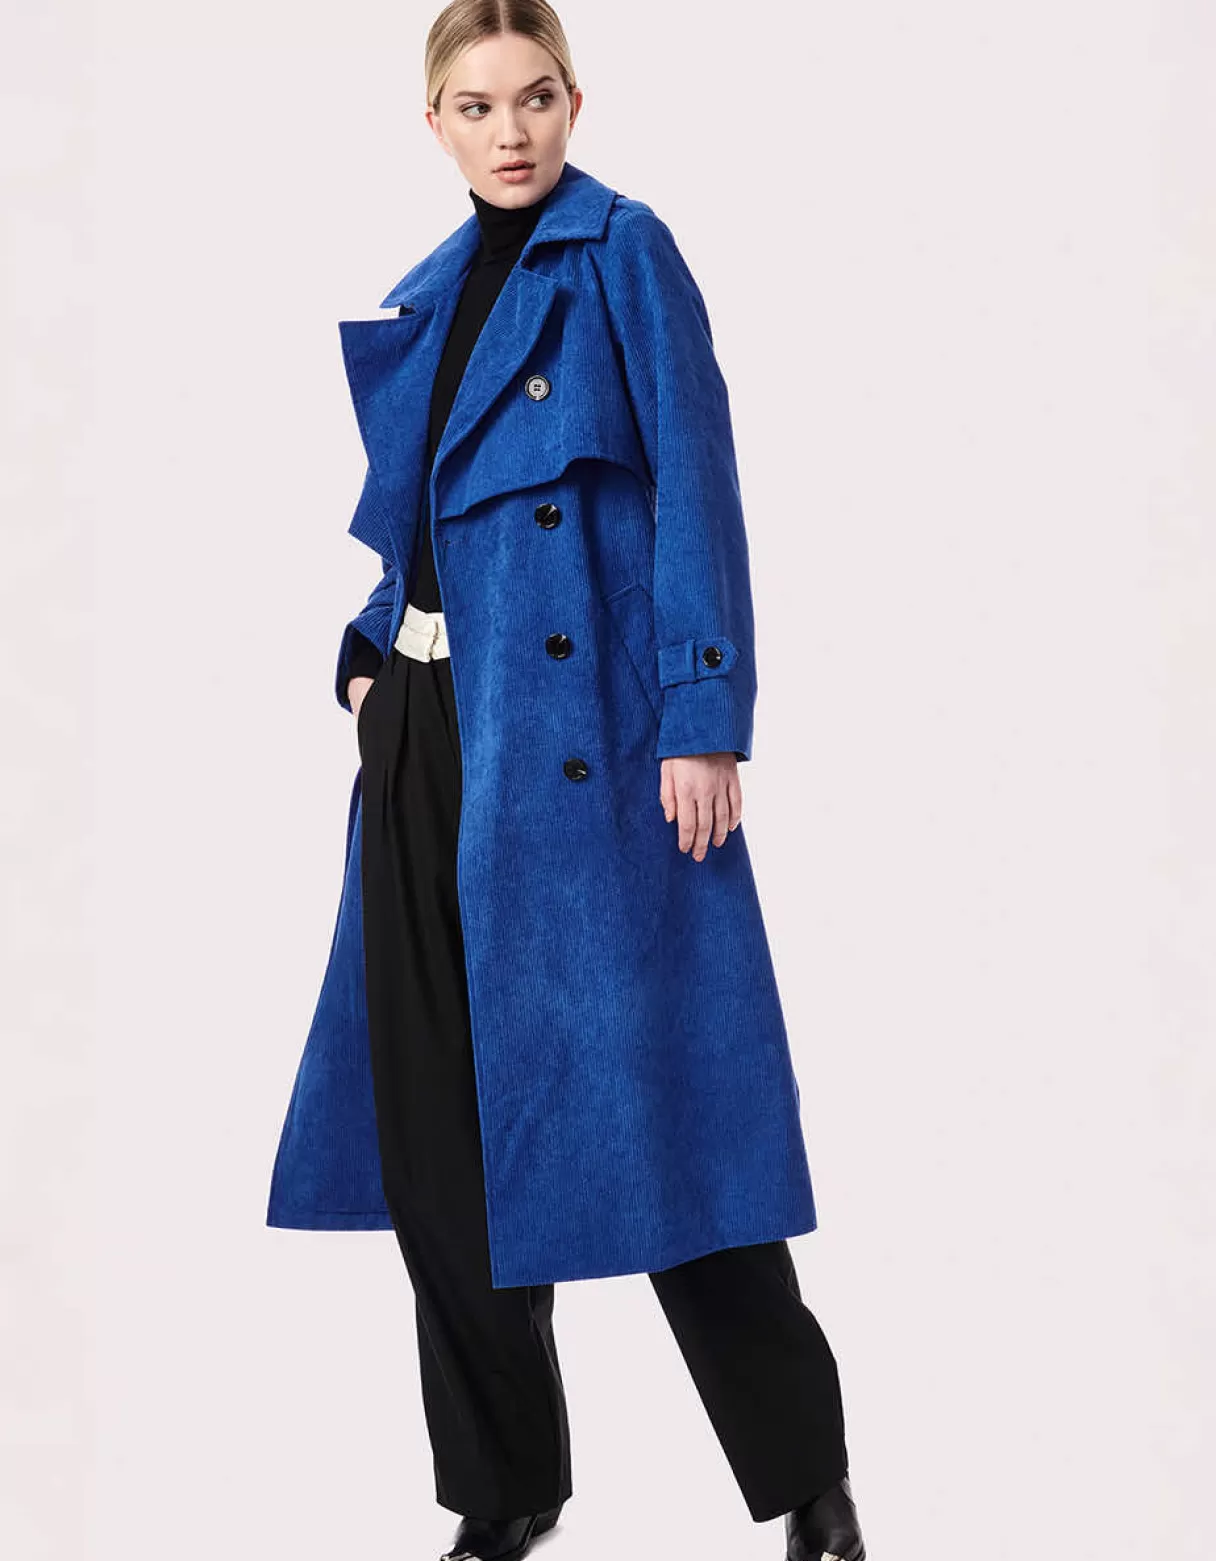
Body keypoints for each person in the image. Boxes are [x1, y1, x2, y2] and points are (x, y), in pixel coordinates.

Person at [271, 5, 868, 1559]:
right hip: (426, 734)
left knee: (664, 1115)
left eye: (534, 98)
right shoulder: (428, 293)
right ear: (435, 125)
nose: (511, 131)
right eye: (477, 107)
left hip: (582, 745)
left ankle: (812, 1488)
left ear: (575, 102)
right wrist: (365, 654)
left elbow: (696, 483)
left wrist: (703, 712)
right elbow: (419, 520)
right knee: (441, 1140)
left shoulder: (624, 254)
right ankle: (504, 1493)